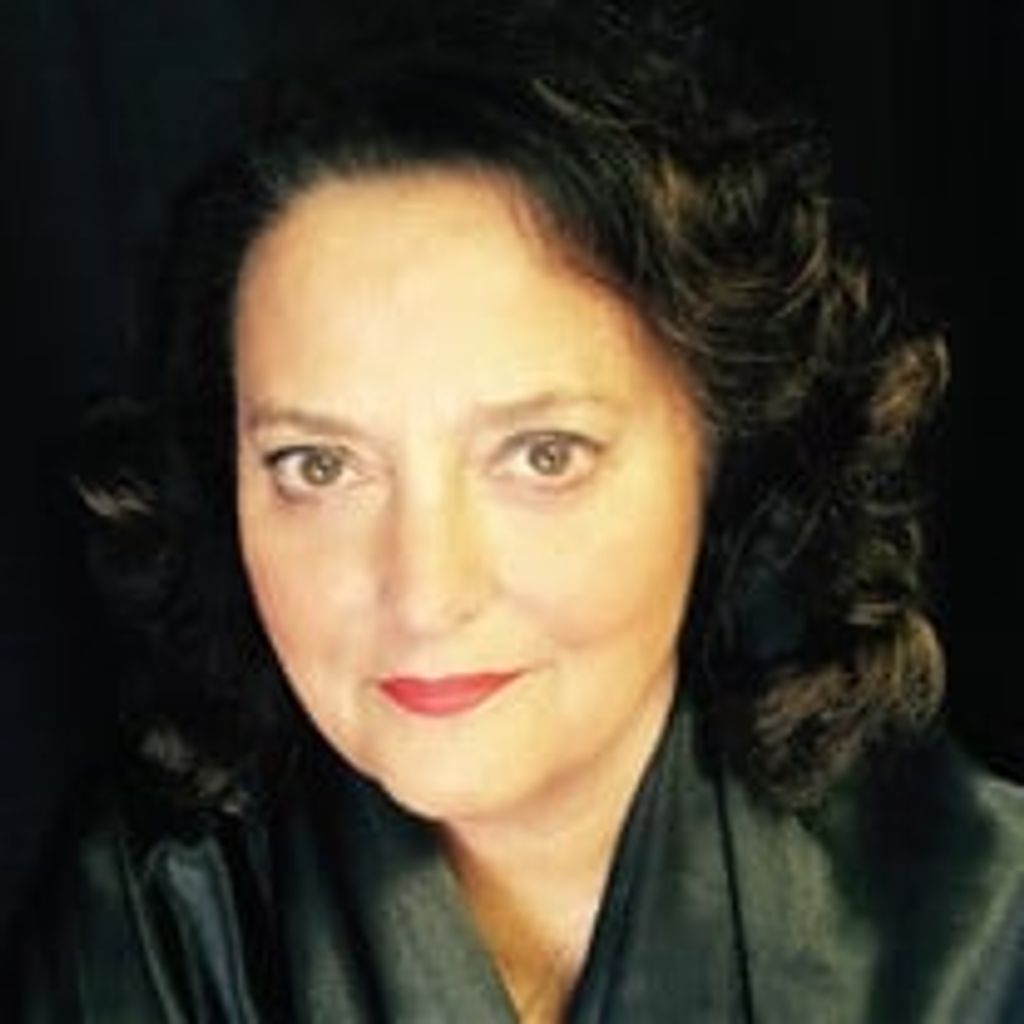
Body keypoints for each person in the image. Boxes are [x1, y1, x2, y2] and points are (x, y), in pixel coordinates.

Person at [11, 3, 1023, 1021]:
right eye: (319, 465)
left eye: (542, 456)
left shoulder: (988, 937)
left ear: (722, 456)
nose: (425, 592)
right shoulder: (153, 916)